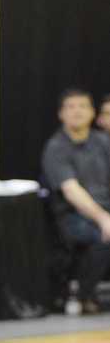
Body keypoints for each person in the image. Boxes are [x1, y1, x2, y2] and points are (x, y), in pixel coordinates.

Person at [42, 89, 110, 314]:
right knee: (103, 237)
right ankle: (82, 295)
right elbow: (71, 191)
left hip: (105, 209)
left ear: (93, 113)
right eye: (70, 107)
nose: (77, 111)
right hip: (73, 215)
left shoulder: (102, 142)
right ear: (61, 114)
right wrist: (103, 218)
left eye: (82, 106)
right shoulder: (56, 148)